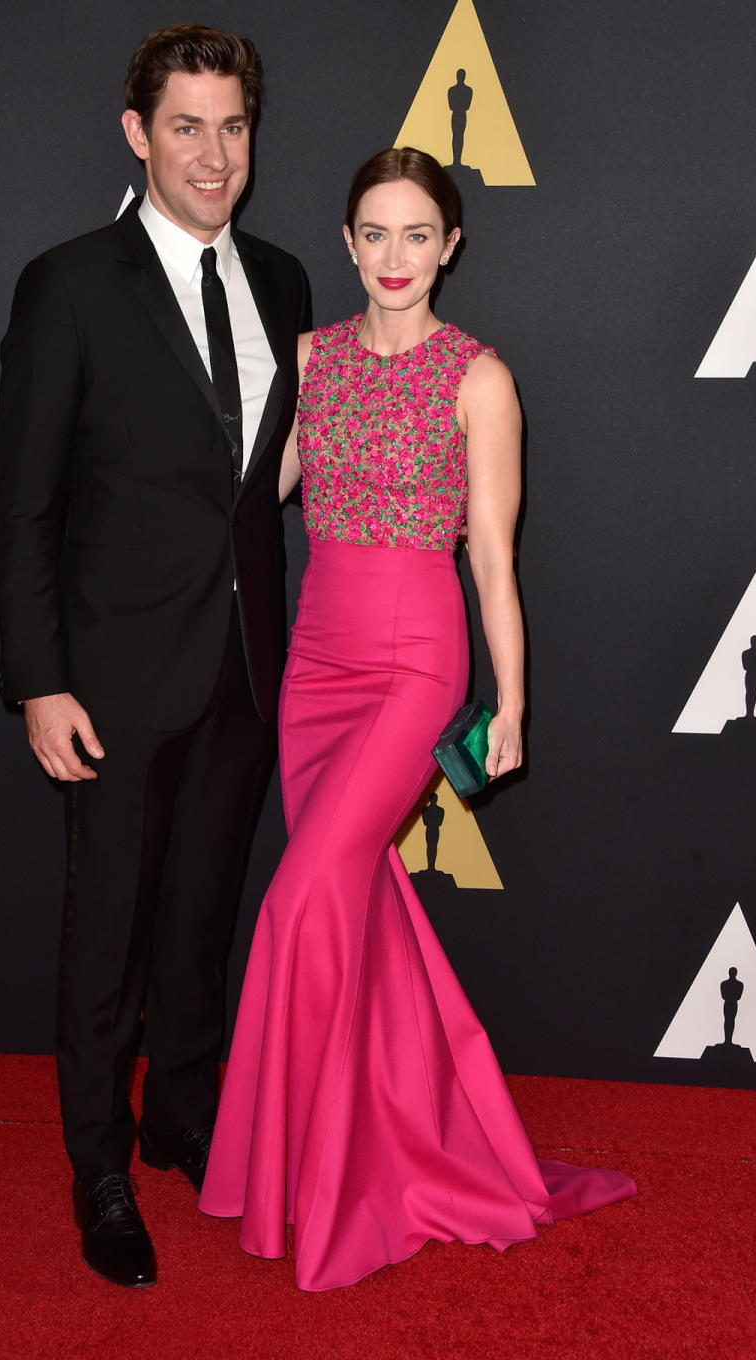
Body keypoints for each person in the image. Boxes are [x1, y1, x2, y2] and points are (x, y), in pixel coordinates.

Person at [200, 147, 636, 1291]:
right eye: (374, 235)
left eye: (417, 235)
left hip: (413, 664)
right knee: (355, 908)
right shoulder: (310, 358)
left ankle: (313, 1176)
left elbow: (495, 560)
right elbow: (258, 495)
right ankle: (374, 1141)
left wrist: (513, 701)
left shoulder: (479, 379)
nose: (395, 258)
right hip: (316, 666)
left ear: (450, 246)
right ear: (347, 245)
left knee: (302, 900)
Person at [0, 23, 311, 1289]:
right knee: (107, 931)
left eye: (234, 126)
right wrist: (38, 675)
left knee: (199, 918)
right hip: (113, 676)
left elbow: (266, 477)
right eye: (187, 126)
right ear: (138, 133)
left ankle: (182, 1115)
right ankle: (101, 1166)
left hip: (242, 660)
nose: (214, 155)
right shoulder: (68, 282)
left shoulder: (284, 280)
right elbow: (25, 501)